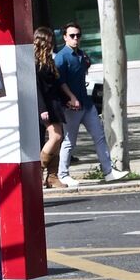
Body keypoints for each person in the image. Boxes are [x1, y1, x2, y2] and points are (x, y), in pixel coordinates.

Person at [55, 23, 122, 187]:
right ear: (65, 37)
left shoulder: (81, 54)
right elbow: (60, 81)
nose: (76, 38)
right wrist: (71, 97)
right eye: (72, 35)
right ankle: (63, 174)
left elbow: (85, 68)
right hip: (71, 106)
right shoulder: (62, 57)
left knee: (99, 136)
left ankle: (108, 171)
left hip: (86, 103)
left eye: (78, 35)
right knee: (70, 141)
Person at [34, 27, 68, 189]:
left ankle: (52, 176)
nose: (51, 43)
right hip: (44, 104)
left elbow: (55, 84)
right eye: (48, 40)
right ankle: (38, 171)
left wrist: (66, 99)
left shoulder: (49, 60)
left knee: (58, 139)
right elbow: (36, 87)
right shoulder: (33, 62)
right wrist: (41, 108)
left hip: (54, 103)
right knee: (56, 136)